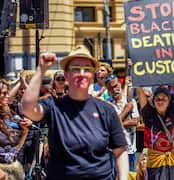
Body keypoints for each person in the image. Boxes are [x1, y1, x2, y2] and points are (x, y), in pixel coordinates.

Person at [21, 45, 129, 179]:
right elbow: (27, 108)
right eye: (75, 68)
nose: (81, 73)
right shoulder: (54, 106)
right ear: (66, 74)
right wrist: (41, 70)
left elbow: (120, 151)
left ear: (92, 75)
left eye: (87, 69)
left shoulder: (107, 110)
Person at [137, 84, 174, 180]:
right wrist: (137, 84)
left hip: (172, 159)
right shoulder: (148, 114)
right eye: (157, 99)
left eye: (164, 99)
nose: (160, 101)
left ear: (169, 102)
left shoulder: (173, 112)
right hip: (155, 160)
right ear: (153, 101)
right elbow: (140, 93)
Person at [105, 73, 140, 172]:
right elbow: (109, 127)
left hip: (129, 148)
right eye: (111, 88)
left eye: (115, 86)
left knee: (130, 175)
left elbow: (136, 122)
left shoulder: (129, 100)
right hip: (113, 150)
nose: (114, 89)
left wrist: (117, 124)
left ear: (120, 84)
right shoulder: (107, 104)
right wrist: (126, 111)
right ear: (108, 90)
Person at [0, 79, 32, 180]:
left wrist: (25, 131)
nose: (8, 96)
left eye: (8, 93)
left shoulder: (7, 115)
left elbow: (15, 148)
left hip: (13, 169)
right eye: (4, 93)